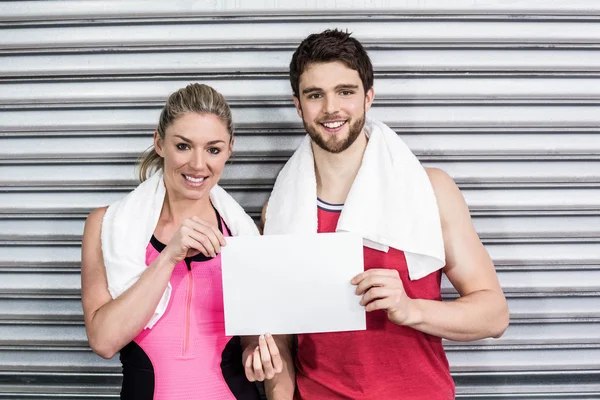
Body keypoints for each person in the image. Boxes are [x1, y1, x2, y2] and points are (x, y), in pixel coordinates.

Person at [246, 29, 510, 399]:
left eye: (346, 91)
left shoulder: (430, 189)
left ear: (368, 96)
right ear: (298, 105)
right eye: (315, 95)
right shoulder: (280, 207)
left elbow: (494, 315)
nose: (330, 108)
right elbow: (281, 334)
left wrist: (411, 309)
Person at [81, 83, 281, 399]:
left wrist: (256, 359)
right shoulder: (107, 225)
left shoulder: (243, 236)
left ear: (230, 149)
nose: (198, 165)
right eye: (184, 146)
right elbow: (104, 341)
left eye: (213, 149)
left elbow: (249, 343)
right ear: (159, 143)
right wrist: (168, 256)